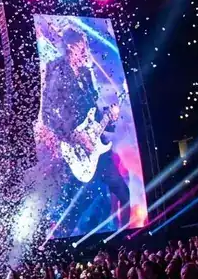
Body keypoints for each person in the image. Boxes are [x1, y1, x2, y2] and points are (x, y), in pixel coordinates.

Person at [39, 27, 131, 234]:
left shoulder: (86, 72)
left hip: (96, 144)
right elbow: (47, 112)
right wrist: (72, 135)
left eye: (86, 48)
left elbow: (92, 107)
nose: (85, 52)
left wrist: (110, 118)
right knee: (77, 204)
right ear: (71, 47)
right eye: (82, 48)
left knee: (123, 193)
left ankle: (130, 238)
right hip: (75, 147)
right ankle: (58, 245)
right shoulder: (56, 69)